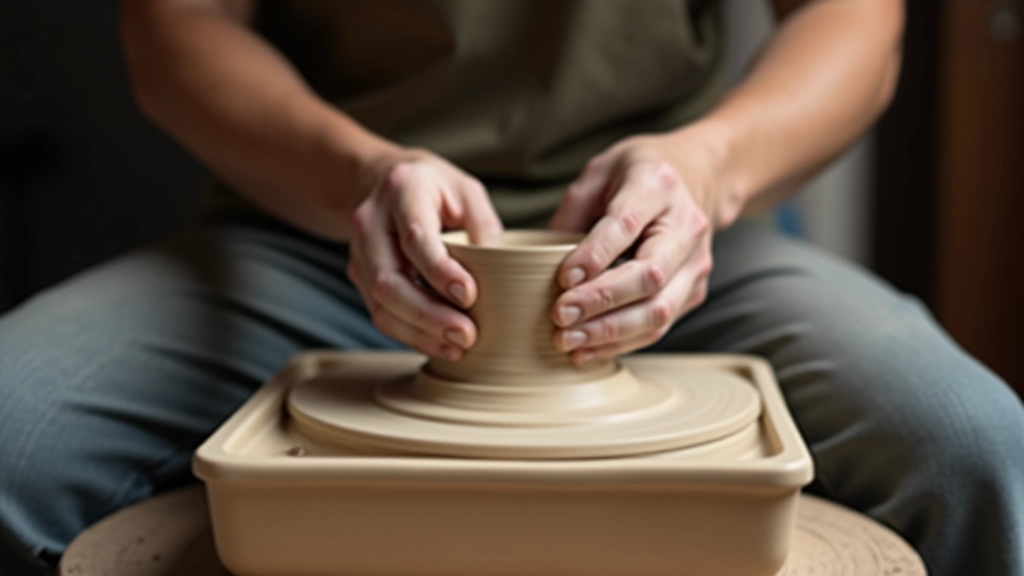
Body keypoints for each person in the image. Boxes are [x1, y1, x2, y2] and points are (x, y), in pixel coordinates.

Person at [1, 1, 1021, 574]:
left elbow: (857, 22)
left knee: (971, 447)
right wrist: (358, 175)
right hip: (325, 227)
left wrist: (708, 168)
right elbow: (173, 30)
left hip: (667, 240)